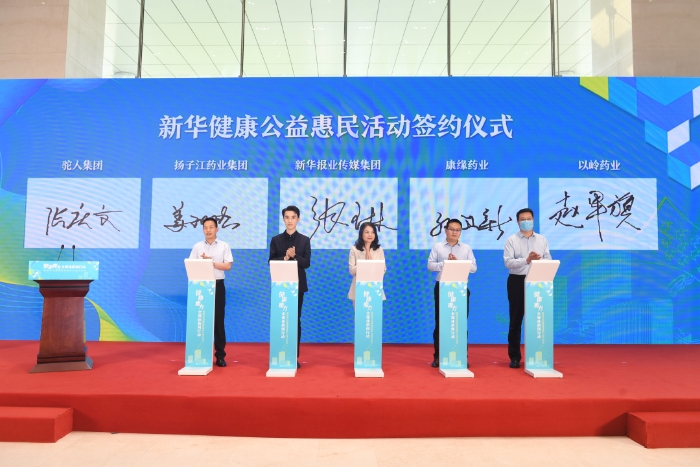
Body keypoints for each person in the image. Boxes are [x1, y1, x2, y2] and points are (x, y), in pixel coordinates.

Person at [503, 208, 552, 369]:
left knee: (537, 320)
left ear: (533, 220)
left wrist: (539, 260)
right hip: (517, 281)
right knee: (516, 320)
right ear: (518, 222)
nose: (526, 221)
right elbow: (508, 262)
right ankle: (515, 357)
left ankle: (538, 355)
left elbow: (548, 259)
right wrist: (527, 260)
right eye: (522, 219)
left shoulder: (542, 239)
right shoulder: (511, 240)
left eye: (529, 218)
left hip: (538, 281)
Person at [427, 218, 477, 368]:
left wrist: (458, 263)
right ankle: (438, 356)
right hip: (442, 287)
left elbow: (474, 268)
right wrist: (446, 263)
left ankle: (462, 356)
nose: (454, 232)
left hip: (460, 288)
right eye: (452, 229)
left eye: (458, 230)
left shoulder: (466, 248)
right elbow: (430, 266)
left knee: (460, 323)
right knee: (440, 322)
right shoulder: (438, 247)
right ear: (445, 230)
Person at [269, 205, 311, 368]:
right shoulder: (276, 240)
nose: (290, 220)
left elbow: (306, 263)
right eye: (287, 217)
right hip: (280, 286)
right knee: (281, 319)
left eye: (293, 217)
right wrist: (286, 257)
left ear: (298, 219)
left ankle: (293, 356)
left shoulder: (304, 240)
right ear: (283, 219)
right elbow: (271, 261)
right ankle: (279, 353)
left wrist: (295, 256)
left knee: (294, 320)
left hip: (297, 286)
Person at [189, 217, 233, 368]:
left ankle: (220, 356)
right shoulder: (197, 247)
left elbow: (228, 266)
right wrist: (202, 263)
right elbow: (191, 265)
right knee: (201, 320)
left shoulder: (224, 246)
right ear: (203, 230)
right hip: (200, 287)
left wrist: (211, 263)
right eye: (205, 228)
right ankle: (201, 354)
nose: (208, 230)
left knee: (218, 322)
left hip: (217, 286)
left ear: (217, 229)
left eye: (211, 227)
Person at [348, 222, 386, 302]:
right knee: (359, 310)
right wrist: (364, 265)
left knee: (374, 310)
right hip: (358, 288)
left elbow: (383, 269)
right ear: (361, 233)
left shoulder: (379, 250)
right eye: (367, 232)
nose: (370, 235)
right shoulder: (354, 249)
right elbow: (351, 271)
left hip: (375, 287)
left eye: (373, 232)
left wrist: (375, 267)